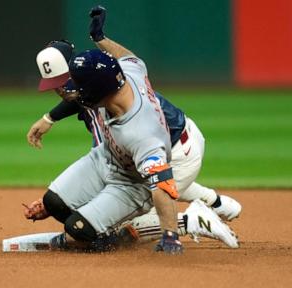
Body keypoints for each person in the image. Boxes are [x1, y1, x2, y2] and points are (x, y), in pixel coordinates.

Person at [24, 7, 239, 253]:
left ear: (96, 90)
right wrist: (100, 39)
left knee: (113, 227)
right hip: (144, 148)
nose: (72, 95)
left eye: (75, 89)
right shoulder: (119, 74)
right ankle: (212, 202)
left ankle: (188, 221)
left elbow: (161, 184)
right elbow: (131, 58)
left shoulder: (140, 132)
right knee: (56, 203)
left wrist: (170, 237)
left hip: (176, 154)